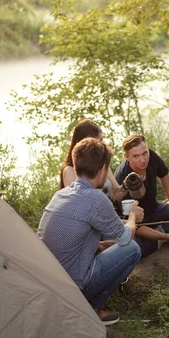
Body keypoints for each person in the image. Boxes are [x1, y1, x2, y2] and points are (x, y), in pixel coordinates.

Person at [39, 138, 144, 325]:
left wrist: (105, 242)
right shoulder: (95, 198)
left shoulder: (61, 194)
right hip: (74, 287)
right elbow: (125, 236)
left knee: (110, 245)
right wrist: (133, 217)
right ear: (103, 169)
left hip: (51, 282)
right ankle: (92, 308)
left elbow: (77, 235)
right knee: (132, 248)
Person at [37, 119, 128, 240]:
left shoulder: (102, 163)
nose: (103, 145)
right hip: (90, 228)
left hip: (109, 219)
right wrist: (123, 222)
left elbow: (117, 195)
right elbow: (80, 209)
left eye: (102, 140)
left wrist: (128, 185)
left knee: (135, 230)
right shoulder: (69, 170)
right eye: (98, 141)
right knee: (132, 239)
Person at [115, 134, 169, 257]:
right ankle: (162, 238)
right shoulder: (123, 177)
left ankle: (158, 231)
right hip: (137, 222)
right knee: (136, 249)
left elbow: (164, 174)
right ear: (127, 157)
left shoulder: (151, 156)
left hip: (155, 209)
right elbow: (135, 225)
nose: (143, 159)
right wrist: (167, 236)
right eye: (136, 156)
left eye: (144, 153)